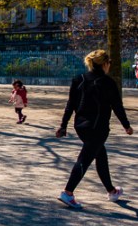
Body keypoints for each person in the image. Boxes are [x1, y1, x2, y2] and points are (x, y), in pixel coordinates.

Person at [55, 49, 132, 209]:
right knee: (85, 159)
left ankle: (112, 191)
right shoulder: (108, 82)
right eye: (109, 62)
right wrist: (126, 125)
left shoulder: (79, 79)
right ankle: (67, 192)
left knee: (100, 155)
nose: (109, 65)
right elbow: (117, 106)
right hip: (98, 127)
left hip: (81, 126)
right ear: (104, 64)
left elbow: (70, 105)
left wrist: (63, 125)